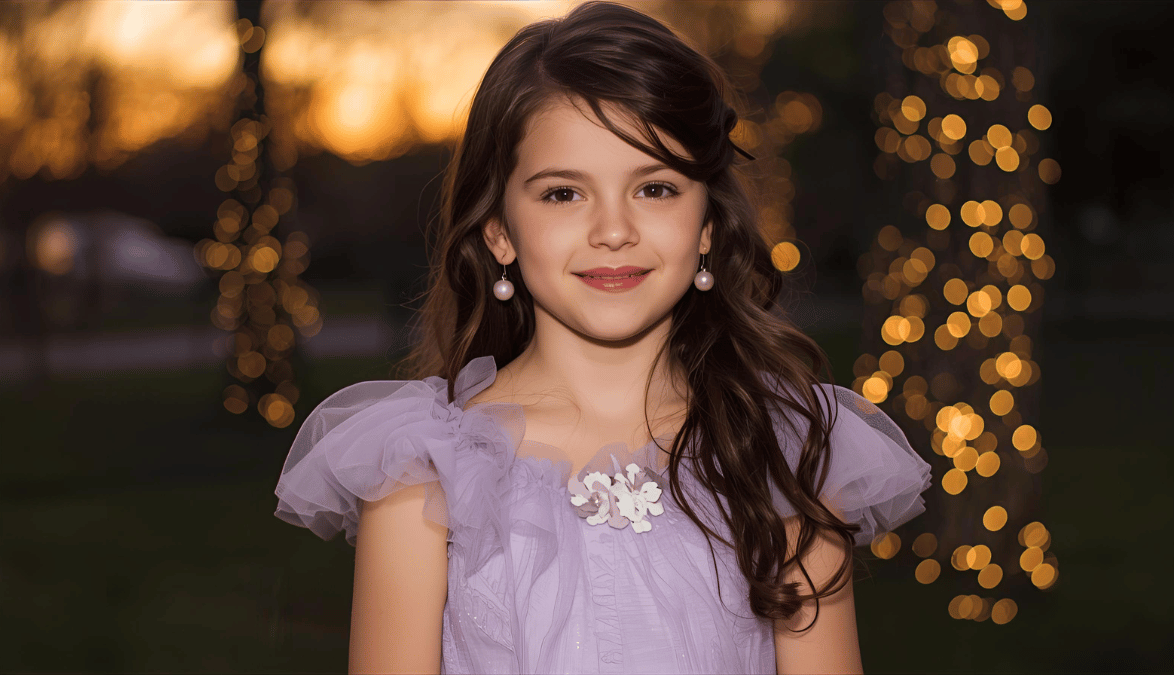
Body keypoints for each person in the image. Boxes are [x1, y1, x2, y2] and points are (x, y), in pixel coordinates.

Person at [274, 2, 932, 673]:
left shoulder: (783, 459)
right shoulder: (426, 473)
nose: (612, 229)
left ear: (708, 224)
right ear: (498, 229)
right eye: (564, 194)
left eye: (654, 187)